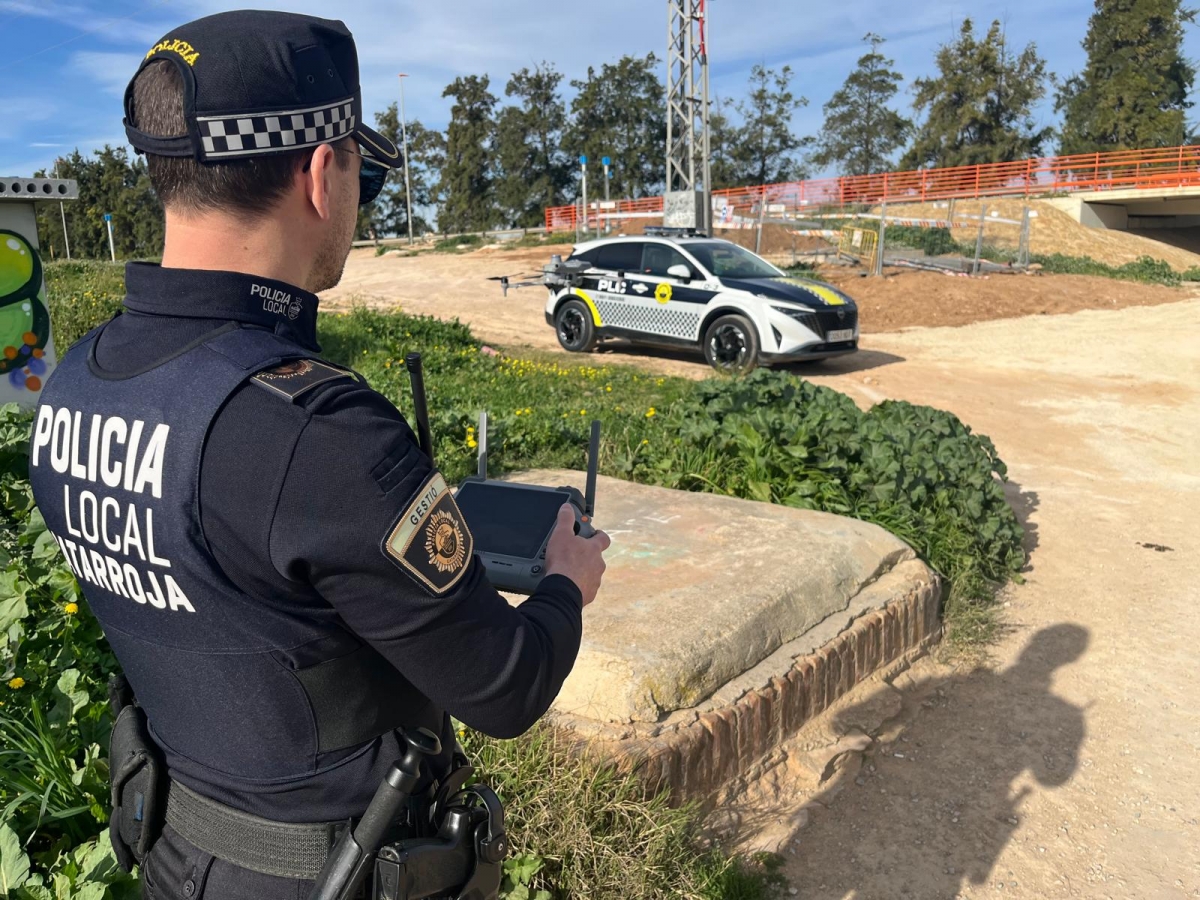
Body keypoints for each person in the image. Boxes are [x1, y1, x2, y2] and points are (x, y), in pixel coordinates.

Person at [27, 10, 609, 900]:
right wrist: (568, 580)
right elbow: (505, 686)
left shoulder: (75, 384)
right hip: (323, 874)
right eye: (362, 177)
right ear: (322, 172)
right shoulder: (315, 430)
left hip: (171, 855)